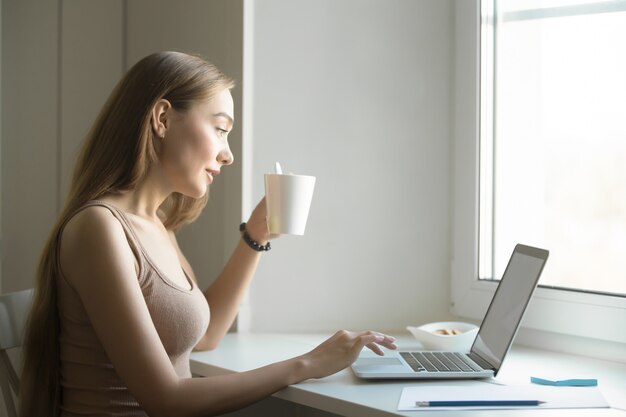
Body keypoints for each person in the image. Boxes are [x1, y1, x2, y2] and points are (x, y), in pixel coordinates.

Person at [19, 51, 396, 417]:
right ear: (162, 118)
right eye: (219, 129)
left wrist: (255, 235)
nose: (228, 154)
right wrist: (308, 363)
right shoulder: (99, 229)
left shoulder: (156, 225)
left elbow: (205, 335)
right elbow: (167, 401)